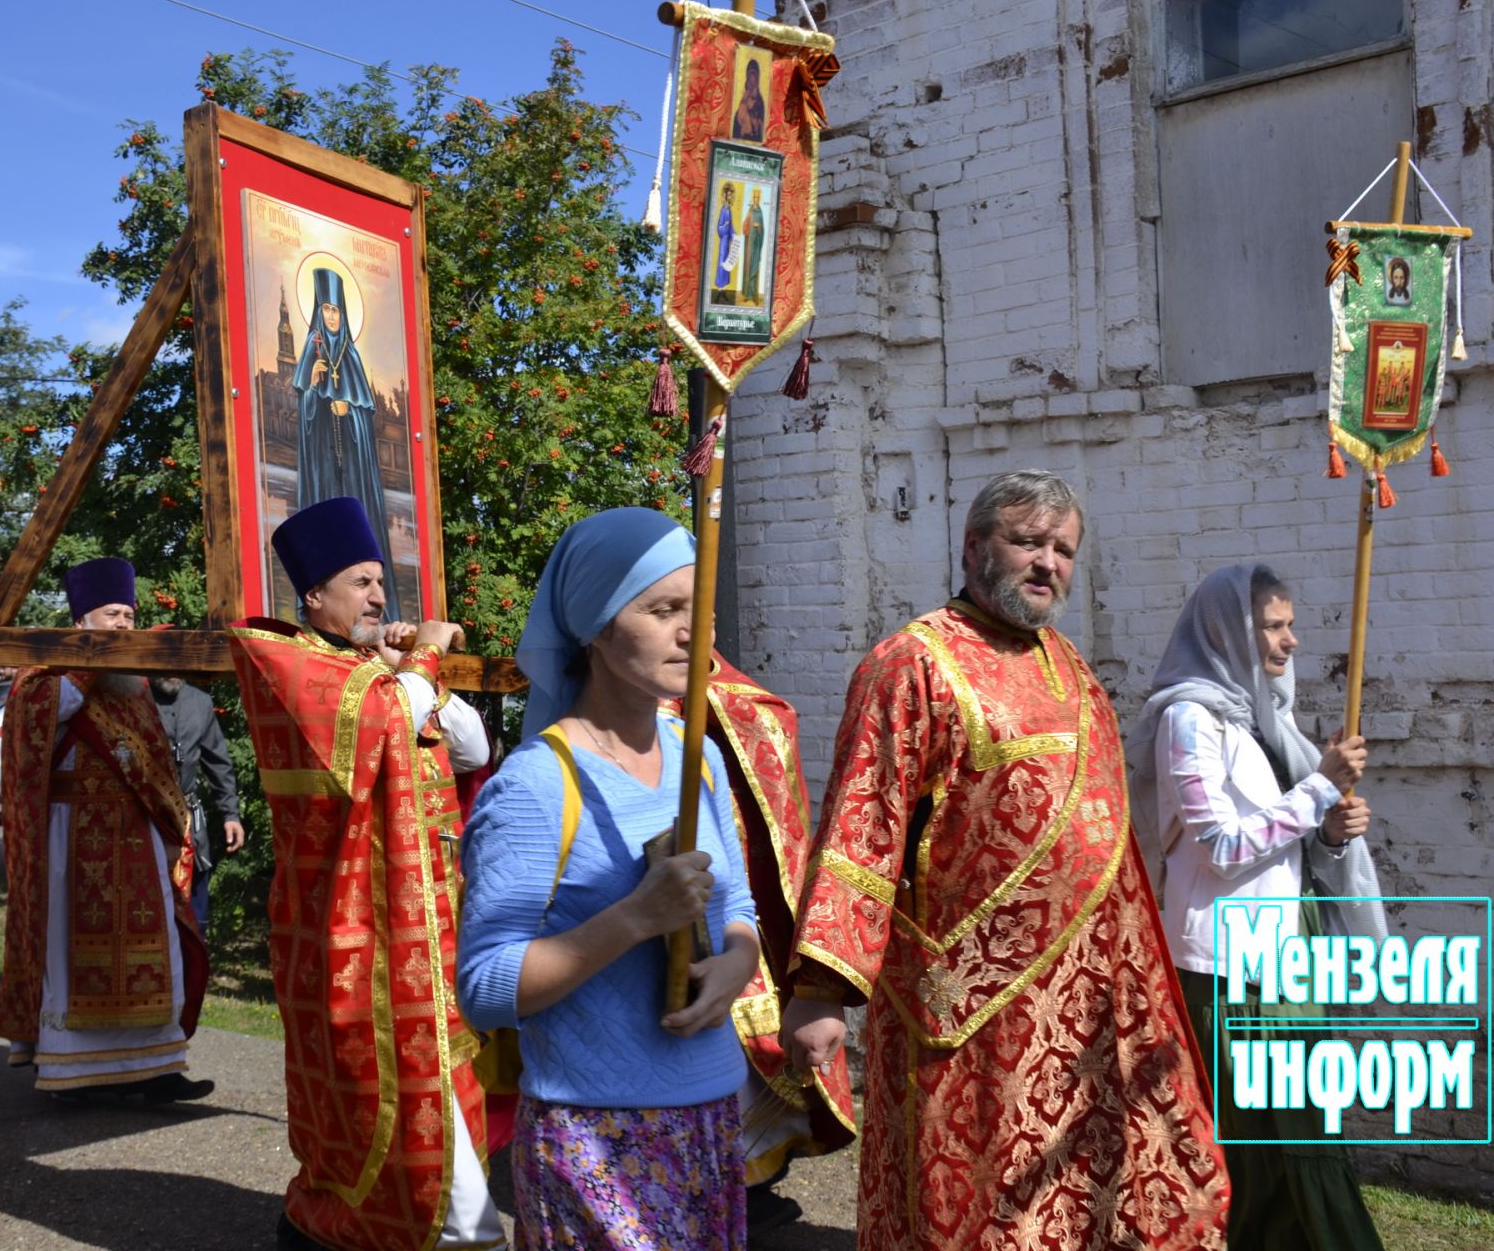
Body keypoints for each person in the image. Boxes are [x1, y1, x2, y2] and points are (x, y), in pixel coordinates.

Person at [780, 470, 1229, 1251]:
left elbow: (1104, 846)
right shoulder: (911, 663)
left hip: (1090, 1006)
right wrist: (821, 990)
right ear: (974, 546)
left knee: (1089, 1194)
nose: (1047, 562)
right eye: (1028, 541)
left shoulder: (1072, 667)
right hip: (973, 1006)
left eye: (1063, 549)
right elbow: (863, 825)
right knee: (983, 1206)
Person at [458, 507, 762, 1251]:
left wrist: (738, 963)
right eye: (663, 610)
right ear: (594, 625)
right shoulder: (535, 786)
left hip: (715, 1113)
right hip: (595, 1133)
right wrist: (632, 919)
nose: (694, 634)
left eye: (702, 612)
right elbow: (485, 987)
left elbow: (740, 908)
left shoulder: (701, 760)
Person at [226, 495, 499, 1251]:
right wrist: (419, 661)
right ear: (314, 595)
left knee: (427, 1085)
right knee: (374, 1090)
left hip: (421, 921)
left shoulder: (376, 672)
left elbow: (469, 749)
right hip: (348, 924)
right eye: (361, 582)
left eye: (382, 581)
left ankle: (334, 1227)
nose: (381, 597)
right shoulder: (280, 656)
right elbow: (379, 726)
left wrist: (409, 670)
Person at [1126, 564, 1385, 1251]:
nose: (1291, 640)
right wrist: (1319, 793)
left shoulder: (1266, 718)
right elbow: (1218, 844)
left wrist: (1328, 834)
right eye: (1274, 625)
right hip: (1229, 961)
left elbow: (1286, 845)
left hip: (1288, 947)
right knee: (1278, 1136)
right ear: (1228, 632)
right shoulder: (1188, 719)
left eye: (1289, 624)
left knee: (1291, 1132)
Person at [0, 558, 212, 1103]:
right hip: (71, 837)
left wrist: (169, 829)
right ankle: (74, 1072)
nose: (124, 625)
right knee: (72, 949)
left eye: (129, 615)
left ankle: (157, 1068)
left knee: (155, 941)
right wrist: (88, 662)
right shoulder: (44, 668)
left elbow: (157, 758)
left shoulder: (133, 682)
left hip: (135, 833)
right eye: (113, 615)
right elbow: (40, 719)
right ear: (82, 619)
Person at [672, 654, 856, 1237]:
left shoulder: (721, 693)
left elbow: (767, 715)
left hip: (732, 895)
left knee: (744, 1042)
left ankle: (749, 1179)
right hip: (665, 899)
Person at [295, 266, 398, 611]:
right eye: (325, 308)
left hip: (352, 465)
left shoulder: (351, 355)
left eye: (336, 309)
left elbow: (366, 417)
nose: (331, 316)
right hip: (323, 463)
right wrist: (313, 388)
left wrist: (349, 412)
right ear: (317, 310)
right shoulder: (313, 348)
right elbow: (303, 410)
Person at [150, 674, 243, 927]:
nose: (171, 671)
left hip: (190, 823)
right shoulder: (135, 697)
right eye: (163, 664)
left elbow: (218, 762)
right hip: (146, 819)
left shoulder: (199, 701)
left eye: (177, 664)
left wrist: (231, 814)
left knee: (193, 916)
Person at [712, 182, 738, 304]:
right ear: (725, 196)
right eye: (727, 195)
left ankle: (723, 290)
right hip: (723, 240)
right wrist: (724, 227)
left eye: (730, 195)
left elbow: (731, 226)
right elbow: (719, 227)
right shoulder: (723, 210)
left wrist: (734, 235)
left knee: (727, 262)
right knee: (722, 262)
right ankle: (719, 289)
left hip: (728, 241)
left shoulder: (729, 210)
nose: (729, 197)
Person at [731, 57, 766, 140]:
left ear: (757, 79)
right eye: (750, 76)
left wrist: (755, 119)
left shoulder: (760, 101)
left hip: (754, 134)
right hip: (743, 131)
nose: (751, 80)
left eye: (753, 76)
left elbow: (761, 120)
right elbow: (738, 116)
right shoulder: (745, 95)